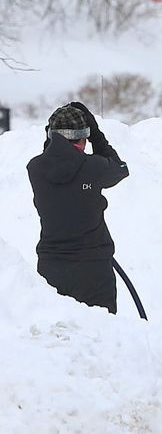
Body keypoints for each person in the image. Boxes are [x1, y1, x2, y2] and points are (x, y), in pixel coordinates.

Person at [26, 102, 129, 313]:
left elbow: (53, 159)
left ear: (51, 137)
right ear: (84, 138)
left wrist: (52, 139)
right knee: (102, 337)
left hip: (50, 270)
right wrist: (96, 134)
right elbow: (120, 168)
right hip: (94, 271)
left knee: (60, 339)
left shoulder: (35, 169)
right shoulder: (95, 167)